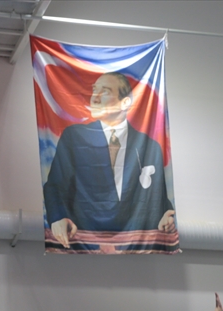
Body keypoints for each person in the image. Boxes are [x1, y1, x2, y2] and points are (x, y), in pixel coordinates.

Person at [43, 72, 176, 249]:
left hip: (134, 249)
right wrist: (58, 218)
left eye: (104, 92)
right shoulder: (74, 137)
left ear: (125, 102)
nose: (94, 98)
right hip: (82, 241)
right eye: (94, 91)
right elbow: (55, 186)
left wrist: (166, 216)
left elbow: (156, 197)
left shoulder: (149, 147)